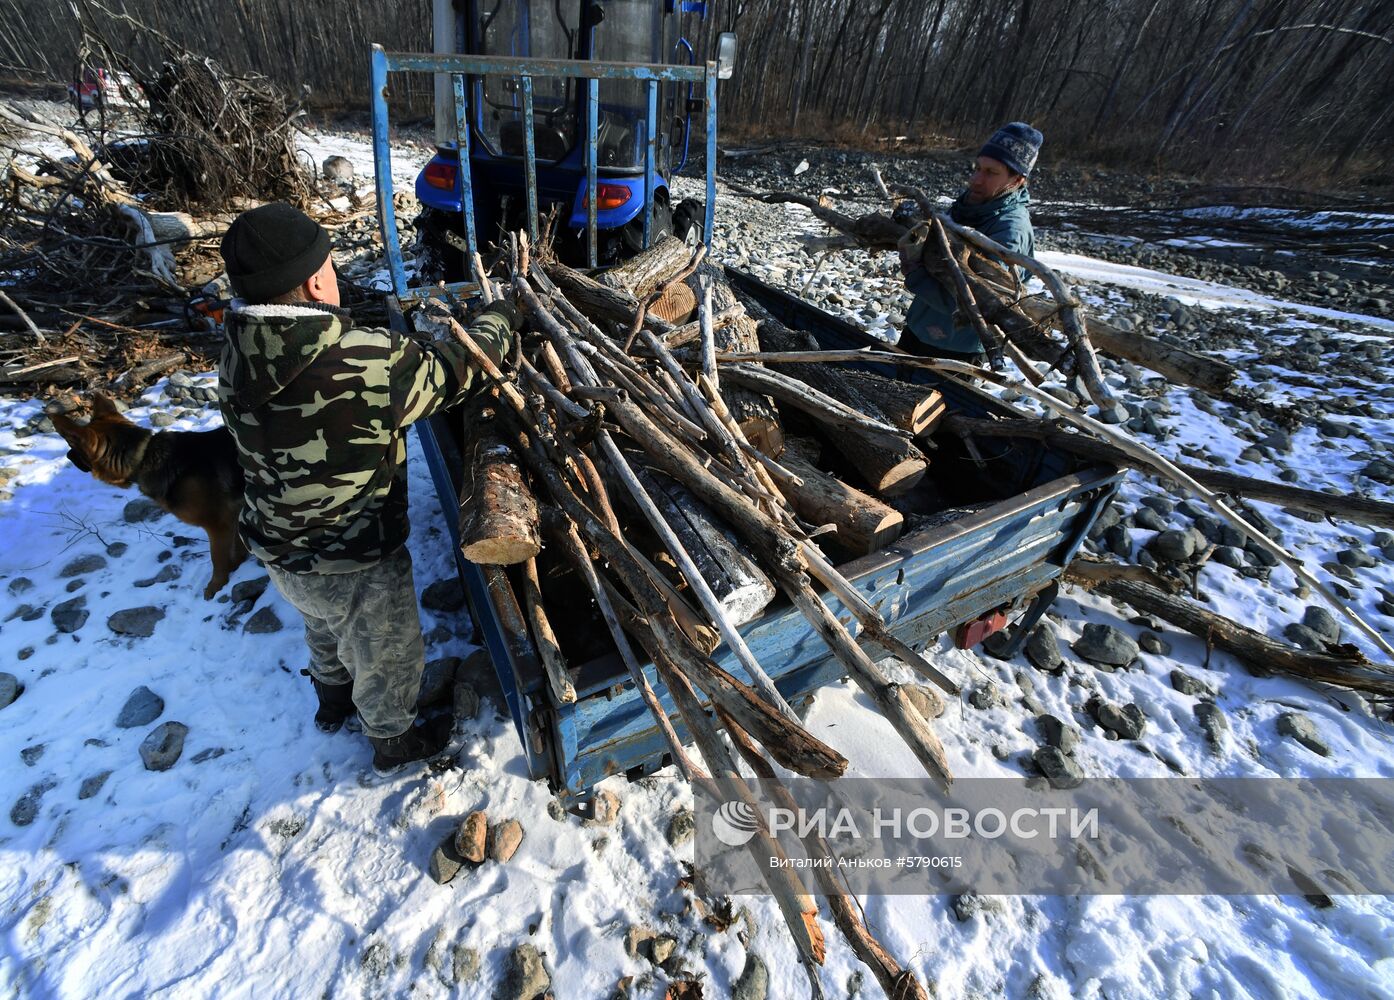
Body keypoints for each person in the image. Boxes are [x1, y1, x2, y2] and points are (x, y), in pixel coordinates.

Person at [217, 203, 520, 771]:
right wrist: (500, 319)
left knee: (323, 628)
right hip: (353, 555)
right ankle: (392, 739)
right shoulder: (363, 359)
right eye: (329, 264)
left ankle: (331, 699)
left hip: (278, 545)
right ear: (314, 280)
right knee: (388, 652)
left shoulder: (236, 351)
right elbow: (459, 369)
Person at [897, 122, 1041, 364]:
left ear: (1016, 180)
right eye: (977, 168)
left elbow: (977, 301)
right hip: (919, 329)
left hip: (955, 348)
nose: (976, 180)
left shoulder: (1009, 231)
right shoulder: (971, 206)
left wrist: (914, 274)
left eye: (991, 173)